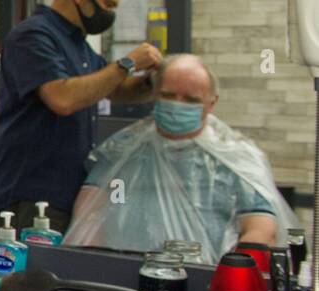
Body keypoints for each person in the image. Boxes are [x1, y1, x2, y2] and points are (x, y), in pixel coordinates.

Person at [64, 54, 294, 260]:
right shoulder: (123, 150)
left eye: (191, 99)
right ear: (154, 94)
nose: (177, 105)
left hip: (204, 287)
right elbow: (89, 211)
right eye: (168, 95)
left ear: (211, 103)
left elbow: (261, 228)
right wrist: (97, 265)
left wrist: (234, 275)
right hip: (121, 282)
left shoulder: (234, 158)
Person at [0, 0, 162, 233]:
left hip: (70, 190)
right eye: (108, 5)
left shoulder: (78, 45)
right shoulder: (34, 36)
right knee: (31, 274)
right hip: (33, 193)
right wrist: (127, 63)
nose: (110, 15)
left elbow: (112, 87)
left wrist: (154, 82)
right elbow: (63, 99)